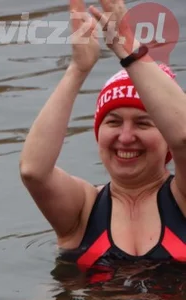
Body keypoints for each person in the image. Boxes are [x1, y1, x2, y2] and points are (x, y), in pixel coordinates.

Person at [19, 0, 186, 278]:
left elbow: (183, 136)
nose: (126, 136)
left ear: (166, 136)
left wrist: (128, 50)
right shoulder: (83, 209)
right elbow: (33, 171)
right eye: (113, 122)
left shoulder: (181, 199)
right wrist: (78, 69)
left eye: (143, 123)